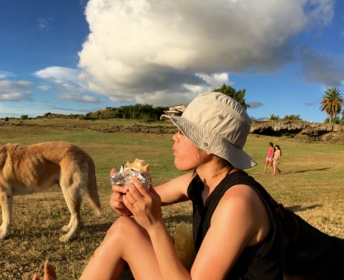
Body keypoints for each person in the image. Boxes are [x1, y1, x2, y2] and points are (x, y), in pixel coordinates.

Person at [78, 92, 285, 279]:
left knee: (125, 232)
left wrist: (156, 226)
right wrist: (126, 200)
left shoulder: (237, 202)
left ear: (209, 145)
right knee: (124, 227)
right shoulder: (202, 182)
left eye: (183, 132)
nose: (174, 136)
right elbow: (150, 199)